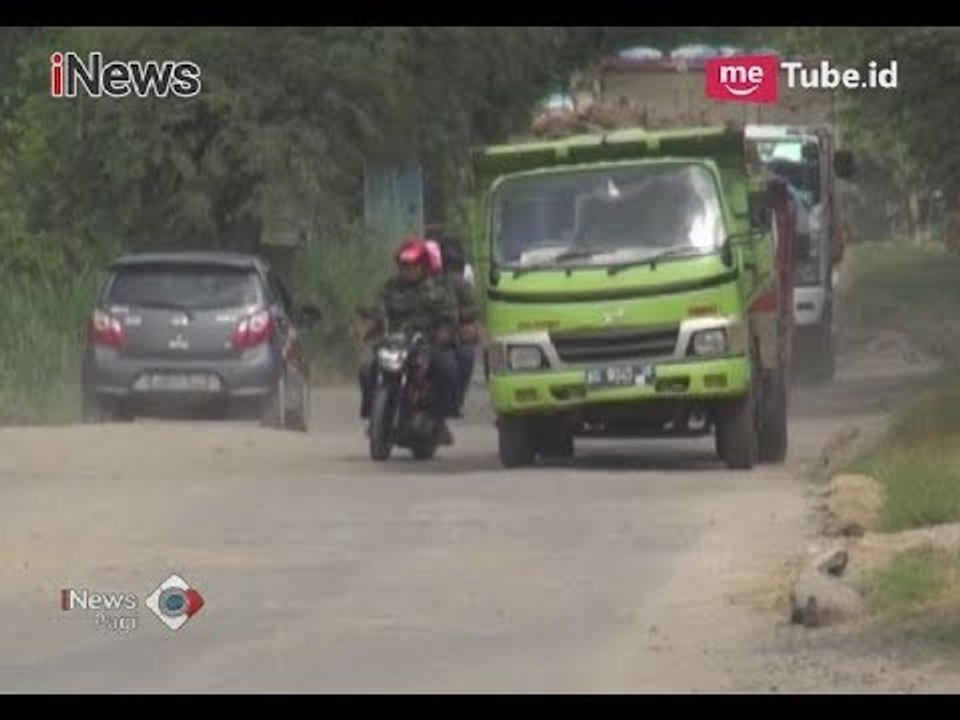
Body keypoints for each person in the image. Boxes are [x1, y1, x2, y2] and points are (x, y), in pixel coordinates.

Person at [357, 236, 461, 444]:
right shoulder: (390, 287)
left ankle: (438, 420)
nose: (408, 270)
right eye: (404, 265)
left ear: (423, 265)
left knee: (448, 369)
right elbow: (377, 310)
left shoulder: (438, 288)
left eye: (412, 265)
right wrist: (367, 326)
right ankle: (374, 417)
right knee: (367, 368)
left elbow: (451, 316)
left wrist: (444, 332)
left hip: (426, 344)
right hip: (395, 343)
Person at [439, 235, 480, 414]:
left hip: (452, 335)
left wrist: (459, 320)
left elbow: (472, 311)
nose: (451, 274)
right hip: (427, 334)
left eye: (454, 268)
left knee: (466, 354)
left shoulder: (462, 286)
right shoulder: (426, 283)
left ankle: (456, 400)